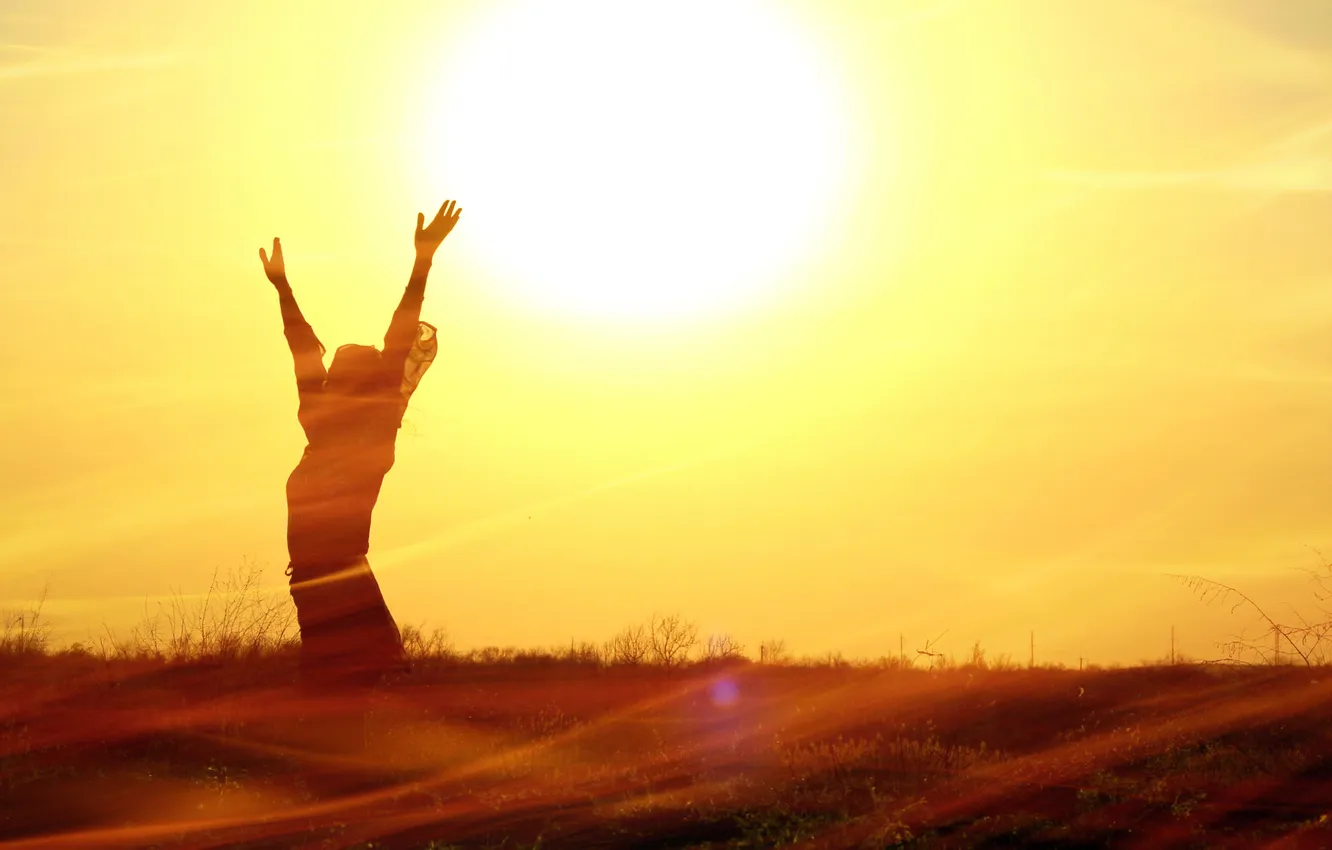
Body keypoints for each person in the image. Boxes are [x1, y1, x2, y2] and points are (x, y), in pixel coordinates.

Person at [258, 200, 462, 688]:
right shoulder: (323, 423)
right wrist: (282, 288)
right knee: (341, 694)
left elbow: (390, 336)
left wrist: (423, 260)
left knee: (351, 690)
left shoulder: (366, 426)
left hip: (334, 580)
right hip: (315, 581)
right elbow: (302, 345)